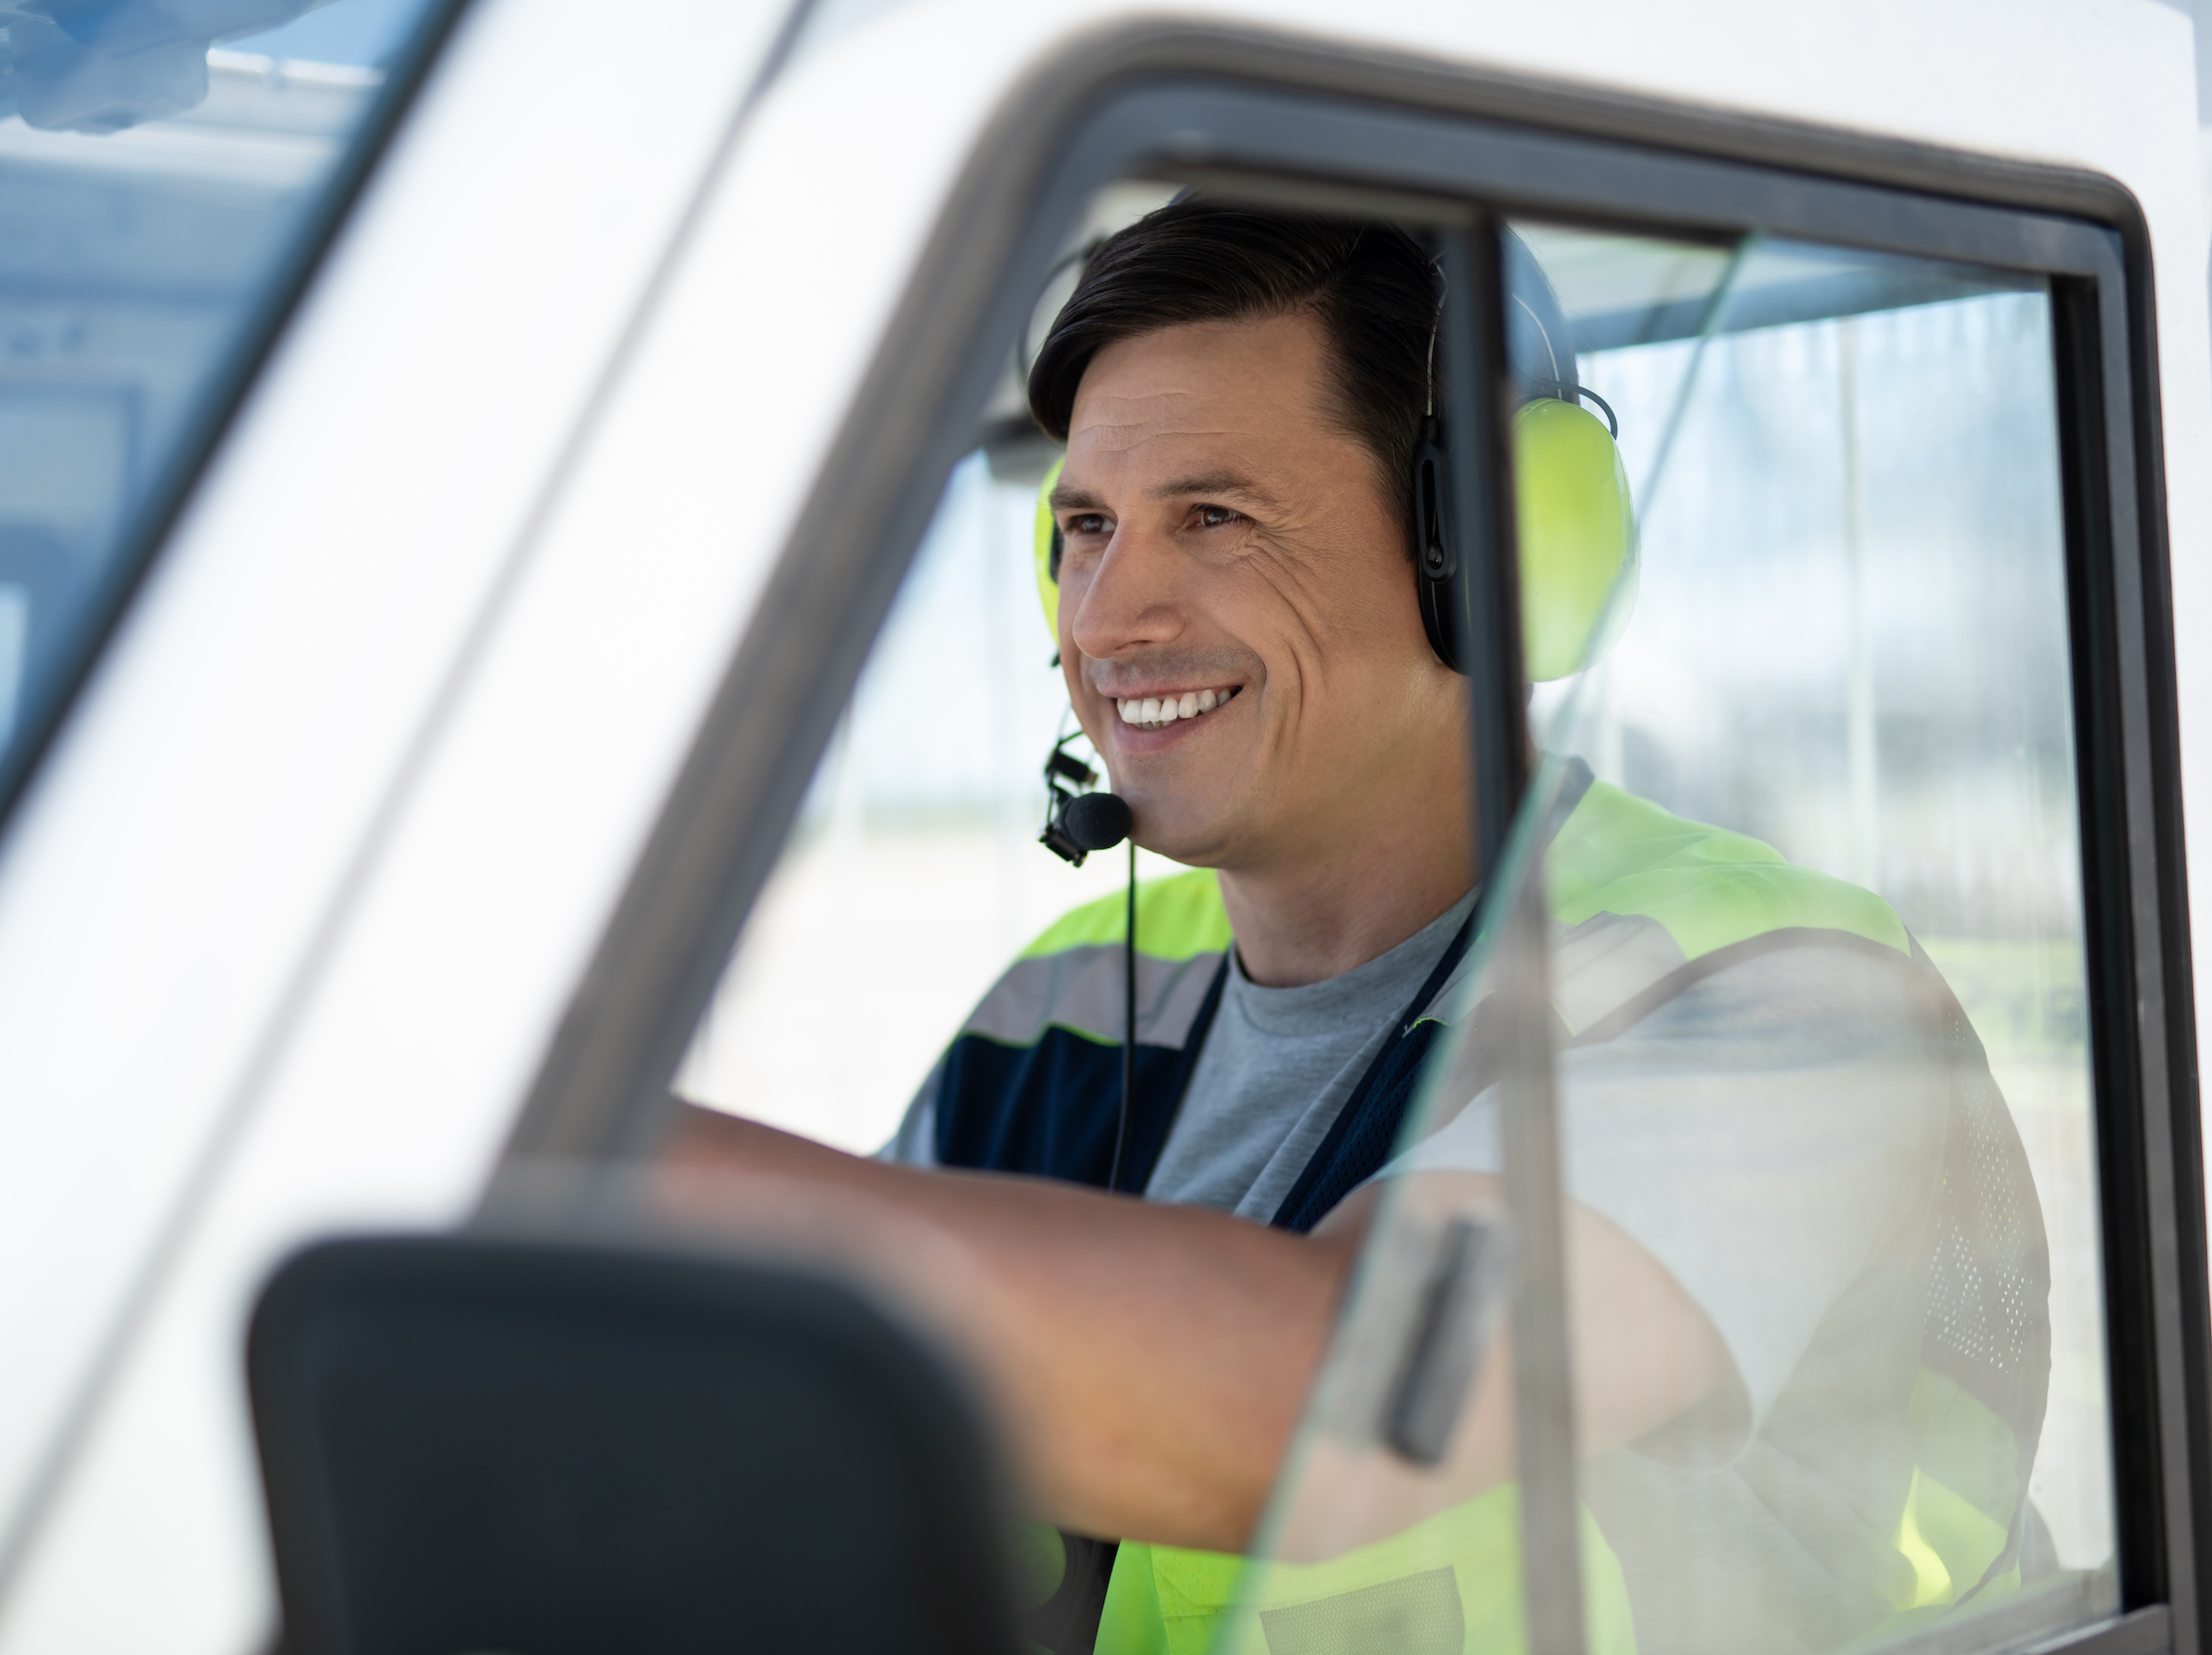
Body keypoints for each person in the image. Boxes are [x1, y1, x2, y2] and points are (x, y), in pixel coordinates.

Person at [656, 200, 2048, 1655]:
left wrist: (600, 1158)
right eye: (1084, 528)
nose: (1106, 617)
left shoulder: (1775, 996)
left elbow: (1344, 1402)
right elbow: (811, 1430)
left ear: (1494, 549)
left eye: (1214, 517)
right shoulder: (1062, 1006)